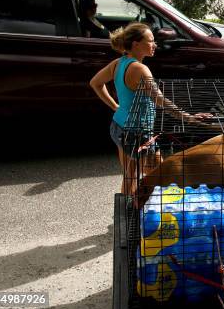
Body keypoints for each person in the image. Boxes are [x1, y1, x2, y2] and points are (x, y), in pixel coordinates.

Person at [89, 22, 209, 197]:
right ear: (136, 44)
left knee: (131, 176)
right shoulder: (140, 69)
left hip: (119, 127)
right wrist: (188, 117)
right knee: (159, 175)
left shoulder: (118, 63)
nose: (155, 45)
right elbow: (159, 99)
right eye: (151, 41)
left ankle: (130, 213)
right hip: (136, 133)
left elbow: (95, 83)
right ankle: (139, 214)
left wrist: (116, 107)